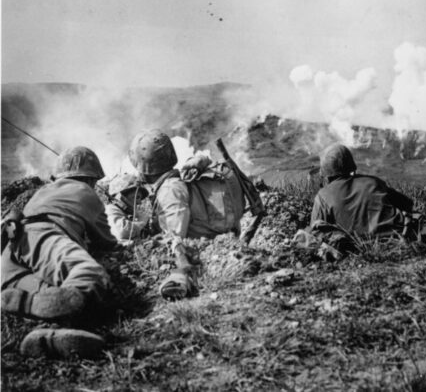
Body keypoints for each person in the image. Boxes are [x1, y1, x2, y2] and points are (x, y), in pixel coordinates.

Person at [1, 147, 116, 358]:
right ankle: (54, 316)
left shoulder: (43, 191)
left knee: (57, 292)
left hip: (10, 252)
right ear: (91, 178)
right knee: (89, 274)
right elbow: (107, 241)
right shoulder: (88, 193)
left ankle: (39, 321)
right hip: (43, 237)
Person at [128, 129, 259, 300]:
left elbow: (175, 236)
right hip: (223, 238)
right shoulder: (178, 180)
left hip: (202, 248)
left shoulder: (169, 190)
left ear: (144, 167)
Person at [295, 143, 426, 258]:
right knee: (424, 222)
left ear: (325, 173)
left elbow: (316, 228)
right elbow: (407, 204)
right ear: (351, 166)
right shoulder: (374, 182)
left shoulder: (322, 196)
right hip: (400, 238)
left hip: (357, 246)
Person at [105, 173, 151, 242]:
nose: (139, 202)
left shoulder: (126, 213)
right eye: (136, 197)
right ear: (121, 197)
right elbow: (122, 232)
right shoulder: (110, 210)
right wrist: (142, 222)